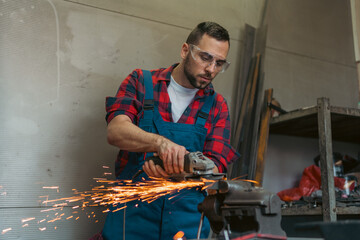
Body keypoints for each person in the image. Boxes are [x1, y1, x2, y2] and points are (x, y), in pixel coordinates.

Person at [102, 21, 239, 240]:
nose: (211, 70)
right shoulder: (141, 82)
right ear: (185, 50)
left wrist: (181, 170)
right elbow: (116, 131)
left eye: (219, 63)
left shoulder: (217, 105)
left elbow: (217, 170)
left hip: (186, 226)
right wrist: (160, 144)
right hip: (131, 223)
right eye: (205, 58)